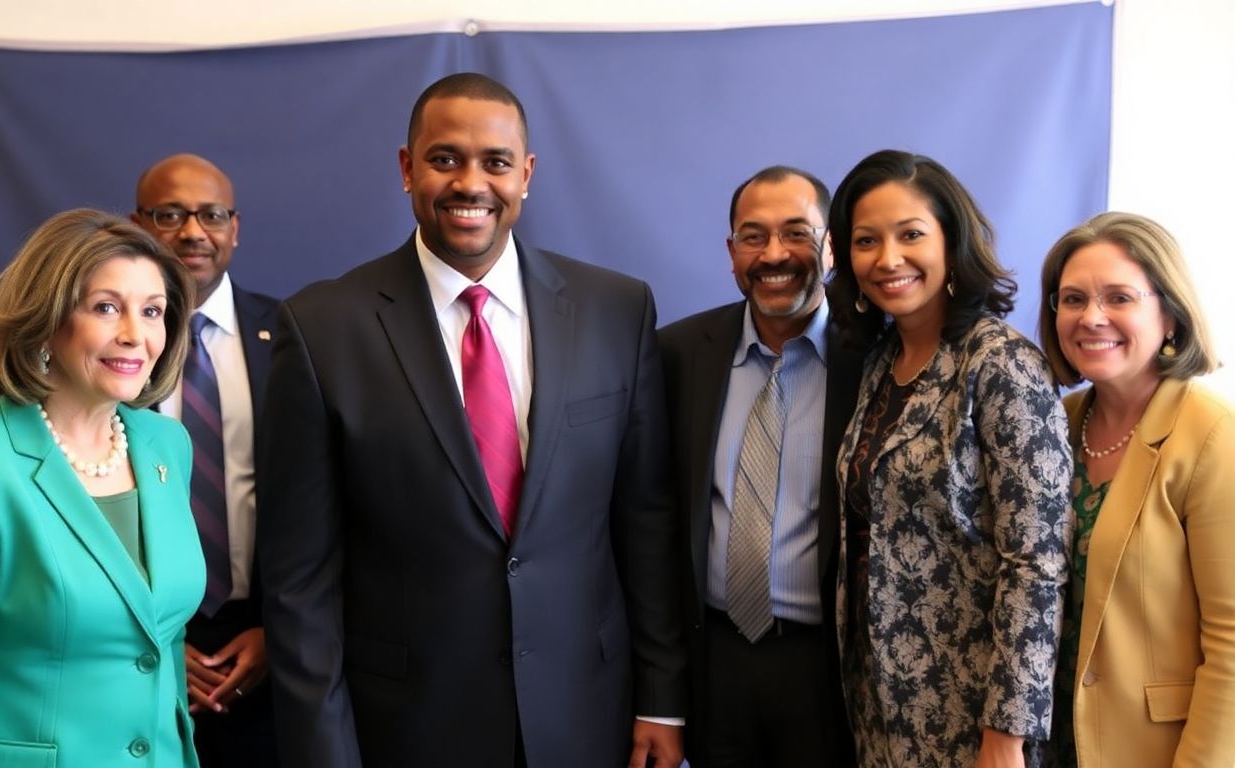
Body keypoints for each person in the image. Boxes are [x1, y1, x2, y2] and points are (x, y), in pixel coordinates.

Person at [256, 72, 686, 768]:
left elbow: (646, 520)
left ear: (527, 174)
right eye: (445, 158)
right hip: (407, 726)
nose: (471, 184)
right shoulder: (322, 328)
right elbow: (298, 580)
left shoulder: (616, 309)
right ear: (406, 168)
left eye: (496, 162)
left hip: (587, 717)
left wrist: (661, 700)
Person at [0, 209, 202, 767]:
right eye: (107, 307)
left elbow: (160, 641)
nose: (135, 334)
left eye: (152, 311)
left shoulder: (167, 447)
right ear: (47, 318)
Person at [826, 150, 1073, 768]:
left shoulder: (1002, 364)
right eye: (865, 240)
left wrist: (1007, 732)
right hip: (879, 696)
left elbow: (1037, 562)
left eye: (911, 234)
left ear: (951, 242)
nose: (888, 259)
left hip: (973, 707)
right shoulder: (881, 363)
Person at [659, 165, 859, 767]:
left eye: (796, 232)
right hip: (713, 661)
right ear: (731, 252)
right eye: (754, 236)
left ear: (829, 246)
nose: (774, 253)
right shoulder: (675, 355)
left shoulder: (876, 358)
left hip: (828, 668)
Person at [1037, 212, 1233, 767]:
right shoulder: (1054, 423)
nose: (1091, 317)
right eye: (1072, 299)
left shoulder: (1214, 435)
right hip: (1046, 746)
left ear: (1169, 315)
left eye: (1118, 297)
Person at [133, 153, 280, 767]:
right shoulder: (104, 344)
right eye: (170, 214)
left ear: (235, 228)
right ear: (138, 227)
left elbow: (322, 500)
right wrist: (162, 637)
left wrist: (281, 631)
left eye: (211, 214)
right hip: (140, 632)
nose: (194, 231)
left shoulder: (295, 335)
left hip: (267, 636)